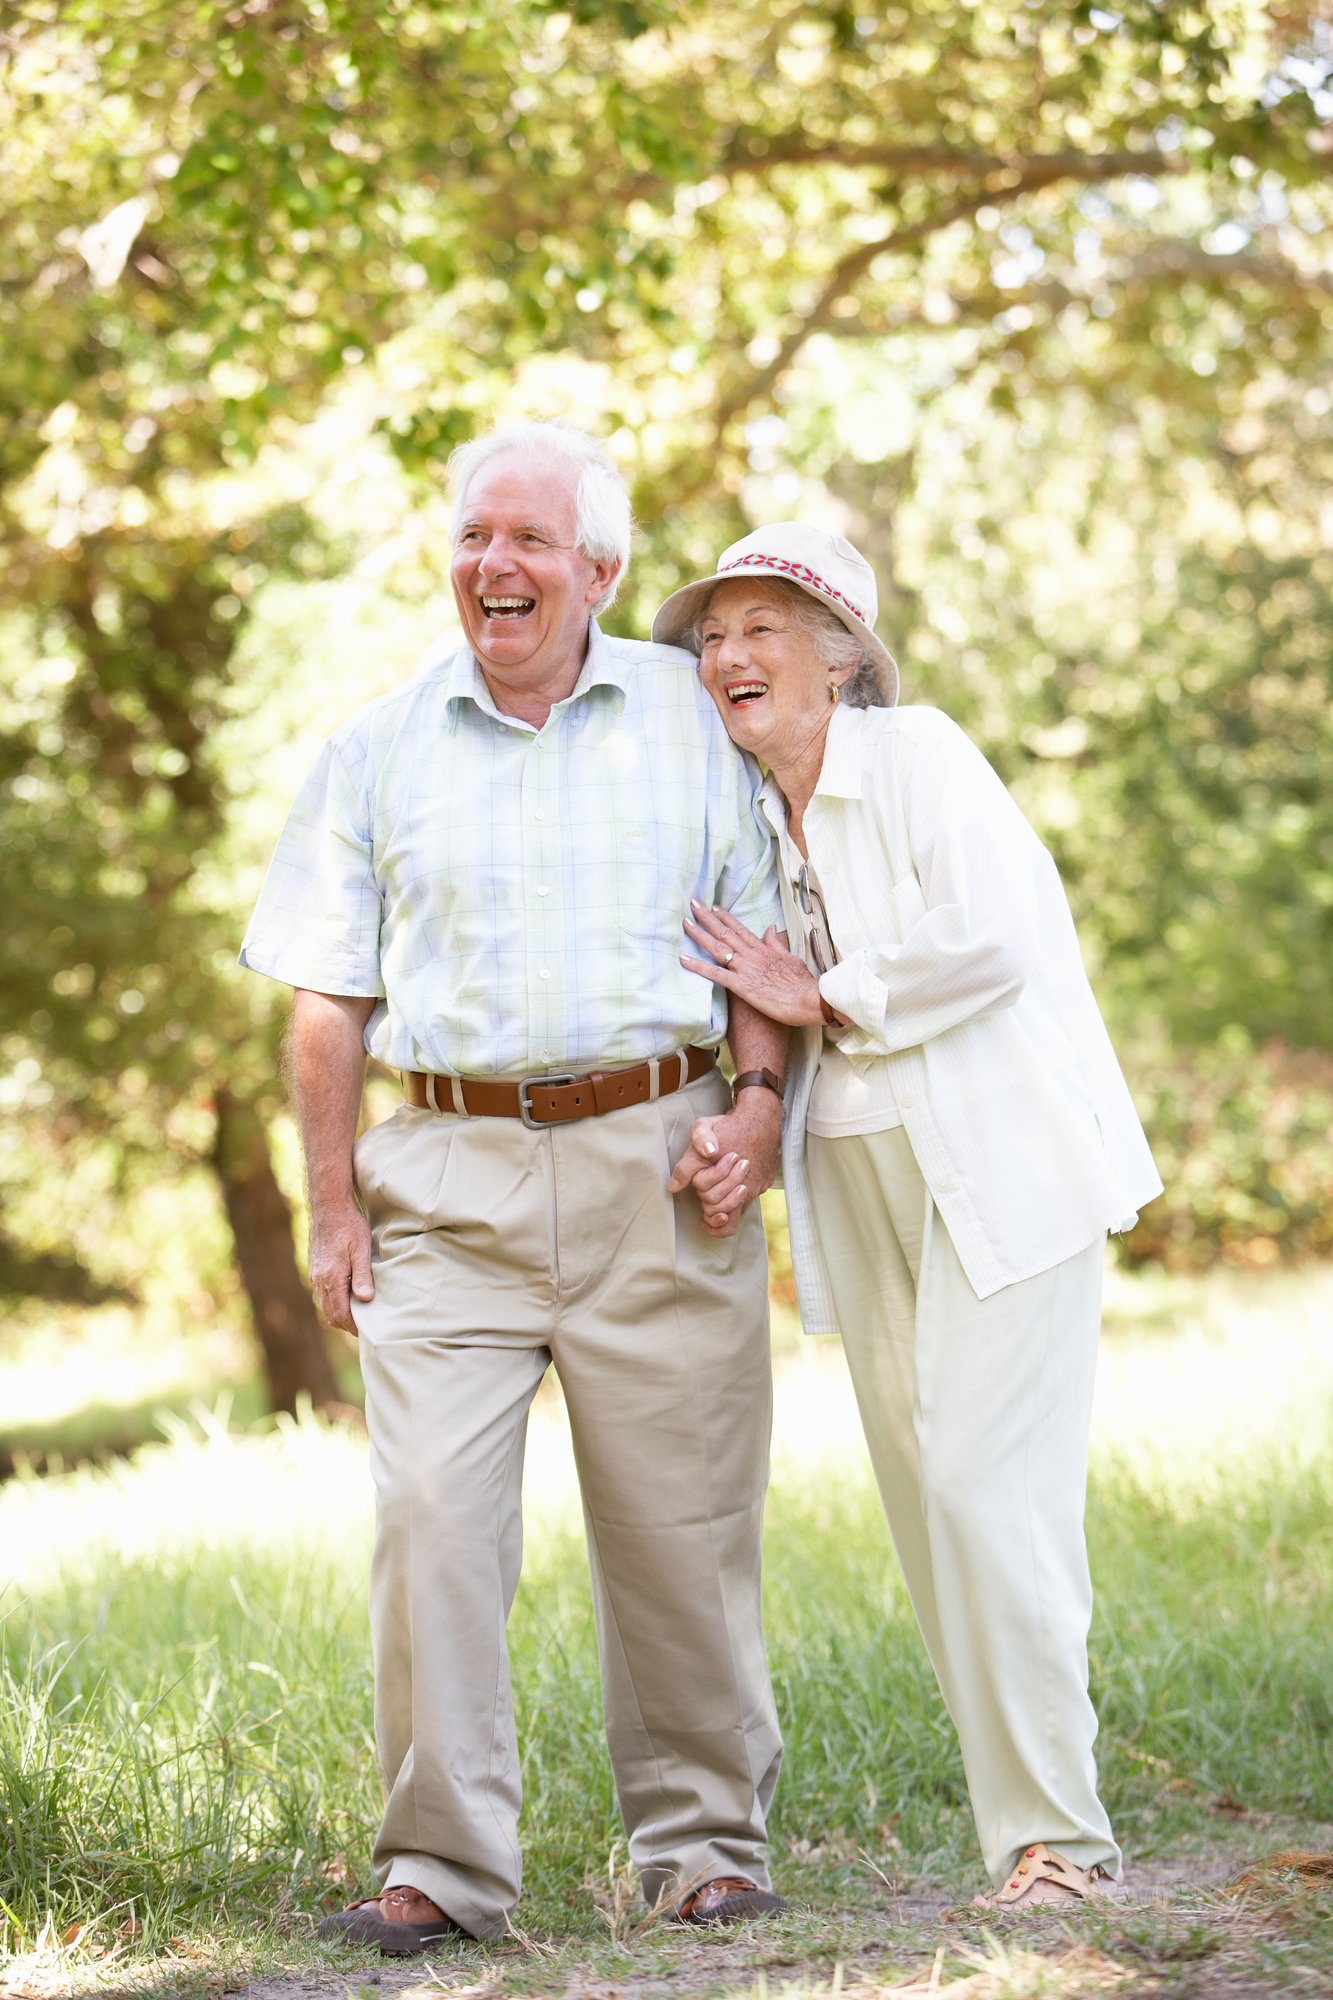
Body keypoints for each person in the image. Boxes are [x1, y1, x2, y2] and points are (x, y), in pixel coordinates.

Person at [239, 424, 791, 1953]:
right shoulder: (376, 744)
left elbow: (758, 945)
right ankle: (441, 1864)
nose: (498, 565)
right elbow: (324, 999)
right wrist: (330, 1206)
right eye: (479, 535)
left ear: (599, 572)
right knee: (429, 1517)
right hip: (446, 1177)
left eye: (533, 541)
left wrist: (754, 1109)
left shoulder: (694, 722)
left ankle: (702, 1845)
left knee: (680, 1526)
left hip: (659, 1164)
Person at [657, 523, 1162, 1910]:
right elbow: (745, 985)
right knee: (922, 1505)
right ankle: (1024, 1837)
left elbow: (995, 931)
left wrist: (829, 991)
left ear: (837, 655)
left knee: (981, 1489)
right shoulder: (745, 808)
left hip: (1005, 1165)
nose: (728, 656)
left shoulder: (919, 756)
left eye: (762, 626)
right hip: (856, 1167)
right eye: (711, 637)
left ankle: (1064, 1840)